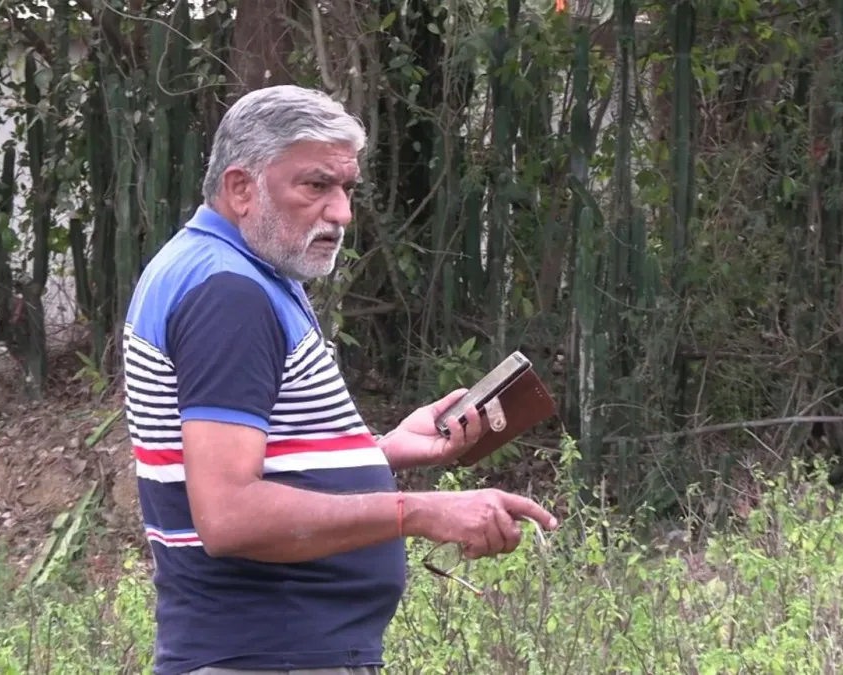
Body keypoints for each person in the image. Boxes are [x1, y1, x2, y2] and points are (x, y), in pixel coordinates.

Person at [121, 84, 558, 675]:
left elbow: (250, 459)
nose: (342, 213)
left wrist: (381, 453)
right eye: (315, 185)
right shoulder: (229, 294)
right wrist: (419, 512)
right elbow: (228, 514)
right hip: (267, 655)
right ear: (241, 188)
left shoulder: (230, 270)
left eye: (346, 188)